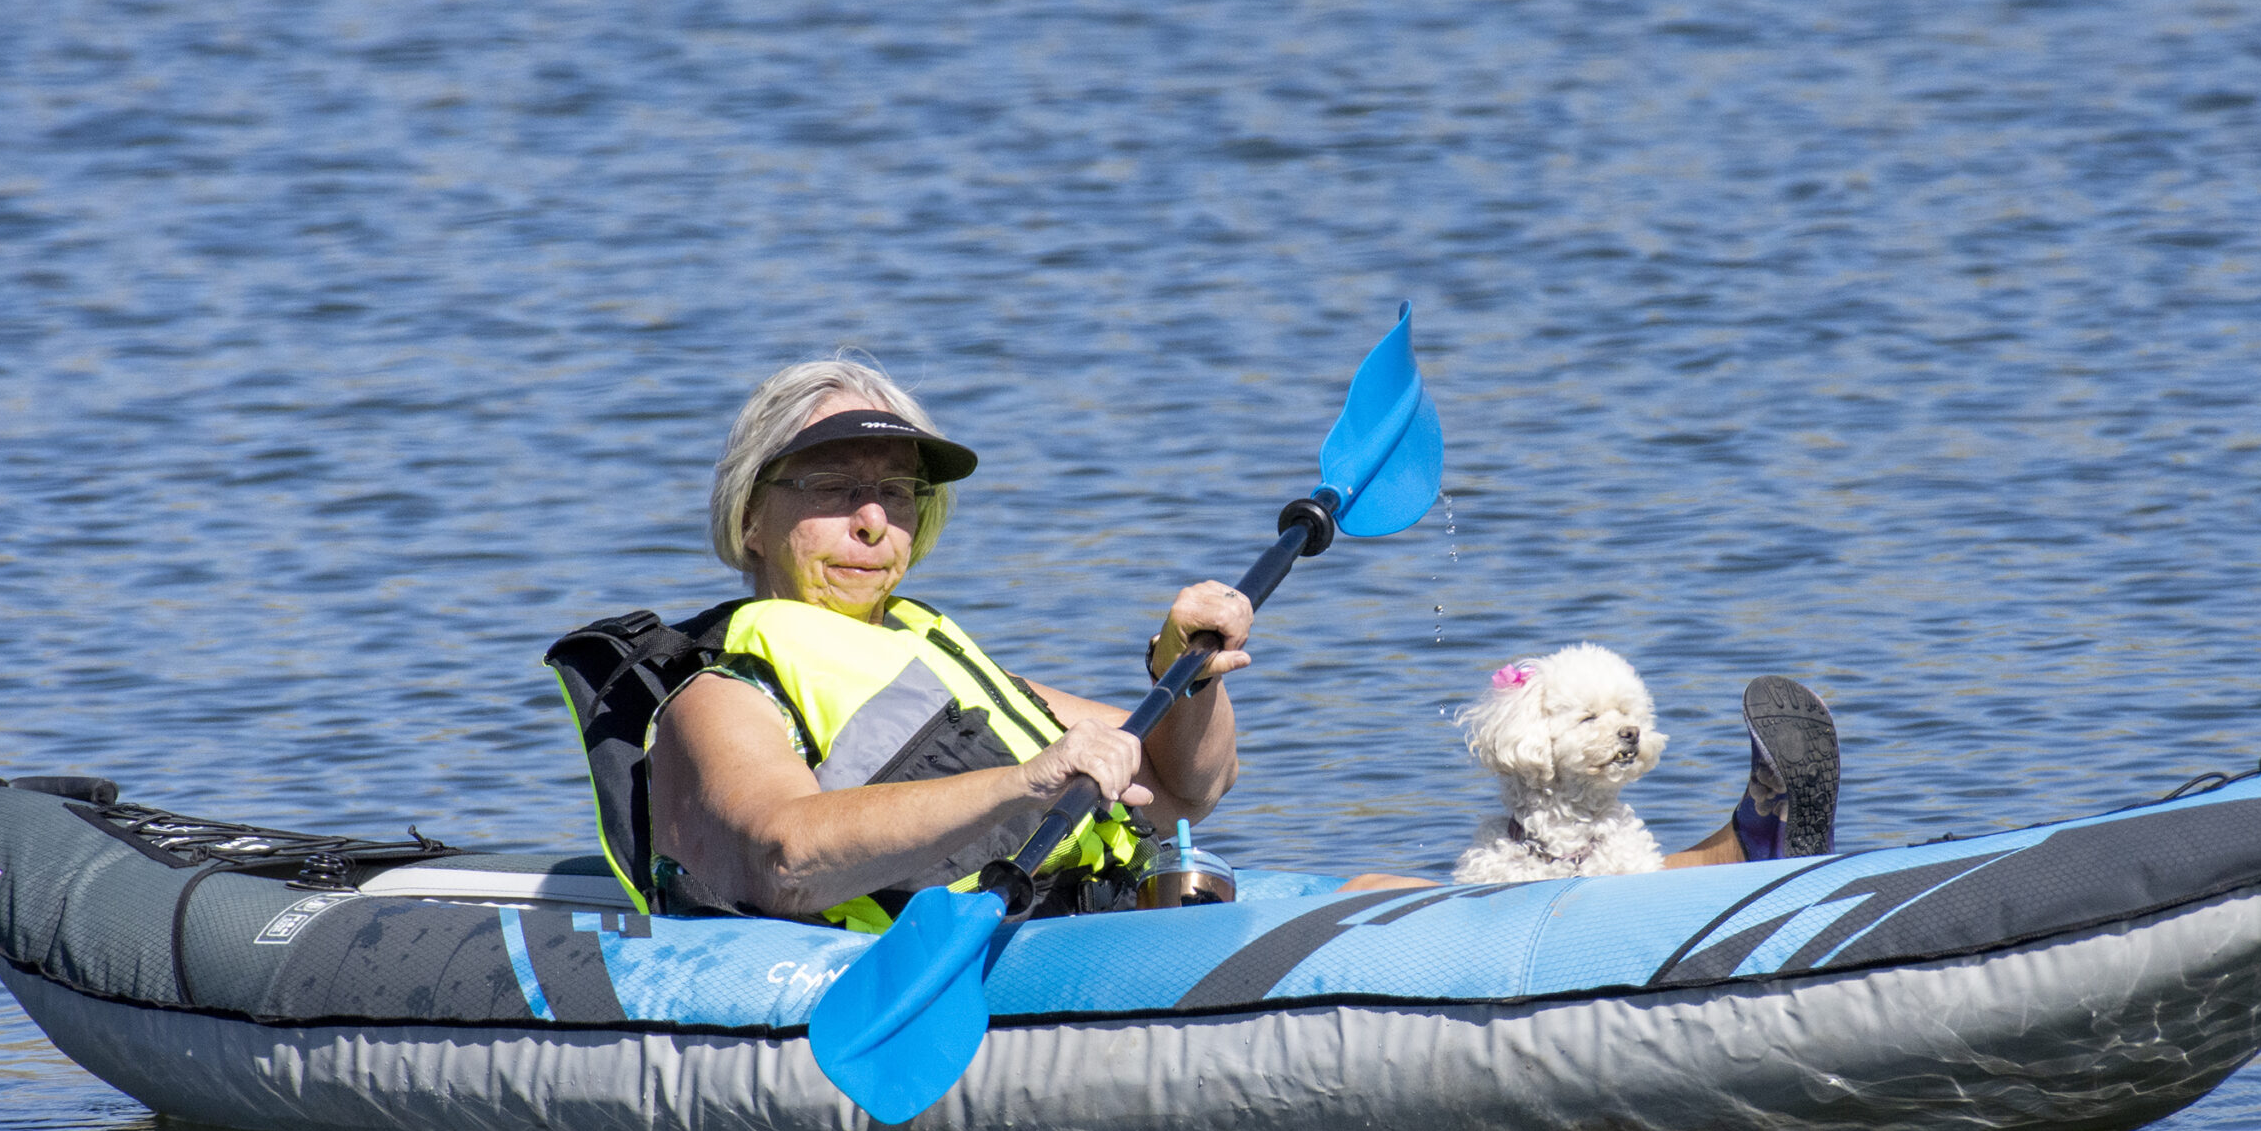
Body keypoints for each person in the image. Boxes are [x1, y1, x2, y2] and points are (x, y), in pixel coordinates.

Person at [644, 358, 1840, 927]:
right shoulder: (722, 682)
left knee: (1393, 894)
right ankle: (1710, 876)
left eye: (897, 492)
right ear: (751, 512)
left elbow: (1189, 782)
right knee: (1408, 917)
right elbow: (783, 854)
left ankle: (1713, 867)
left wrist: (1185, 672)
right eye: (833, 484)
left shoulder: (933, 649)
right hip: (998, 953)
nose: (872, 516)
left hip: (1103, 914)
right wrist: (1025, 785)